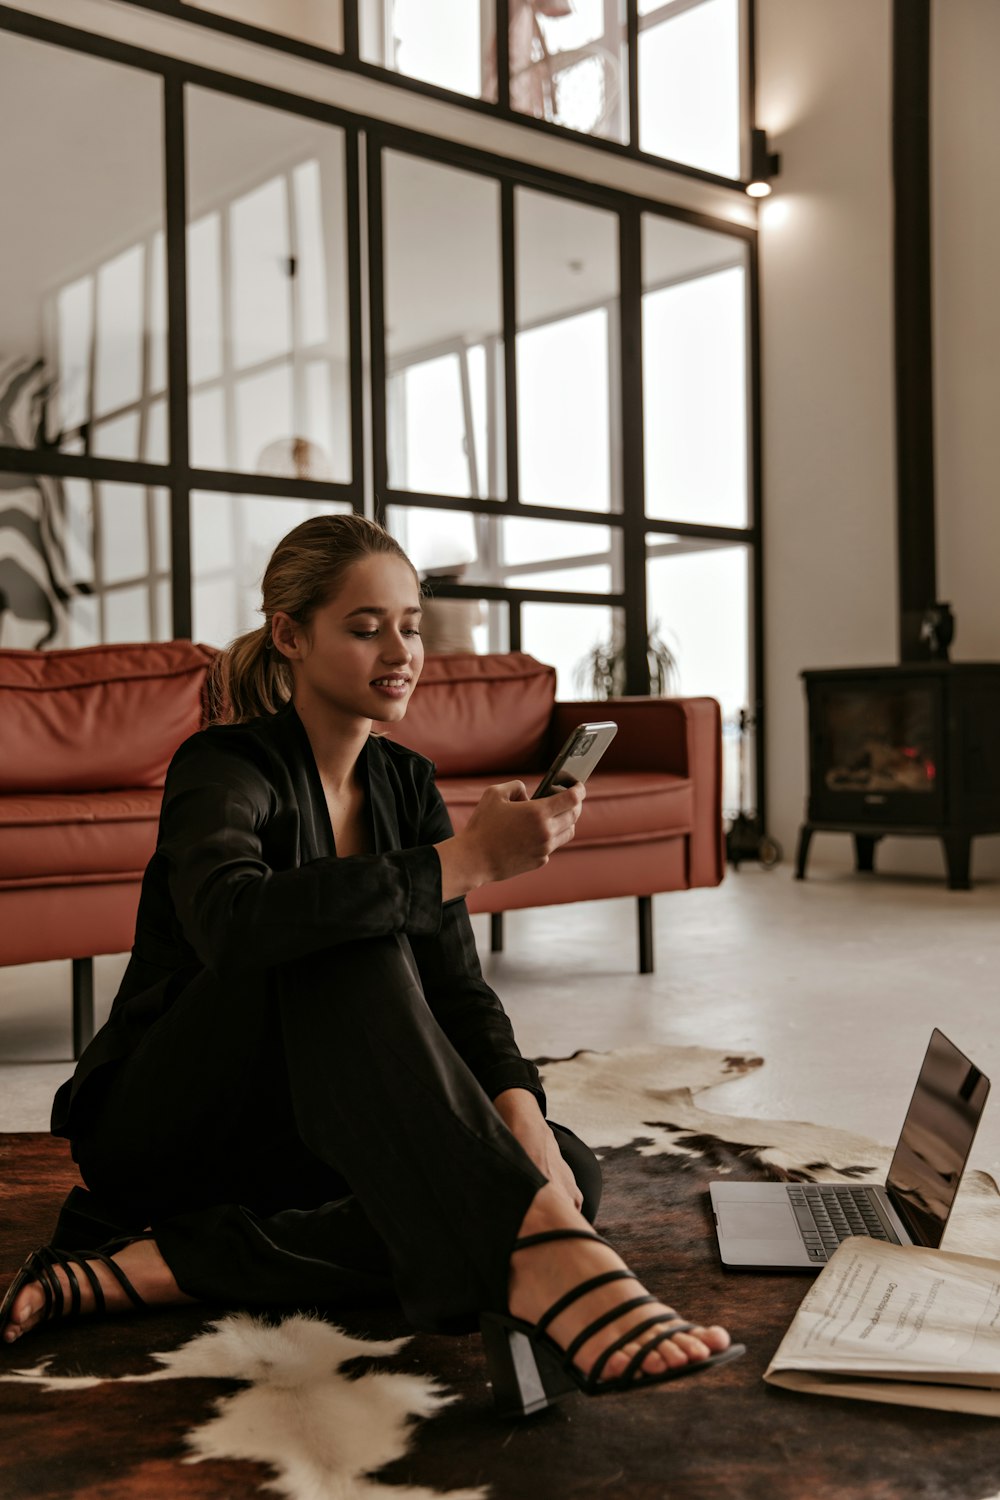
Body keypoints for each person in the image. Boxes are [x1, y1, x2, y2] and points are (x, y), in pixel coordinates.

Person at [0, 515, 741, 1415]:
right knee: (337, 931)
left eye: (412, 624)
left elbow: (459, 990)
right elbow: (235, 926)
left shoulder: (406, 783)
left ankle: (152, 1273)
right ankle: (551, 1257)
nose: (400, 651)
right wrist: (465, 861)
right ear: (290, 635)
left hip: (306, 1130)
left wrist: (520, 1110)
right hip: (171, 1122)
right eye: (365, 627)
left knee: (559, 1173)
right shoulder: (222, 766)